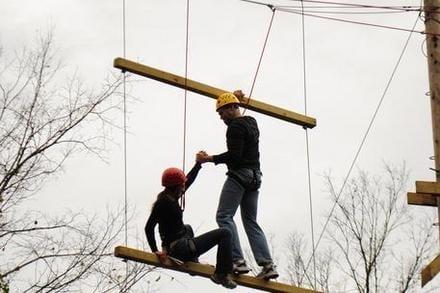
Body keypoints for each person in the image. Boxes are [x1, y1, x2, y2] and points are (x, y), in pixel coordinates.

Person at [197, 90, 278, 280]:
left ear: (232, 108)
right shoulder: (252, 122)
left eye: (222, 112)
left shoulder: (233, 127)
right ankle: (268, 264)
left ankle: (237, 260)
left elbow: (235, 156)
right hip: (255, 177)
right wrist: (236, 99)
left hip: (240, 175)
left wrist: (209, 159)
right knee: (250, 221)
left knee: (224, 216)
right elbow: (239, 114)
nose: (221, 117)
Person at [145, 157, 237, 289]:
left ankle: (192, 261)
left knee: (187, 228)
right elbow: (149, 228)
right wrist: (155, 250)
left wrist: (198, 165)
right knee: (225, 233)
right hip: (180, 248)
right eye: (182, 185)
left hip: (175, 245)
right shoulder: (163, 203)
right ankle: (222, 274)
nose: (184, 186)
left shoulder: (170, 195)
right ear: (176, 186)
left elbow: (188, 180)